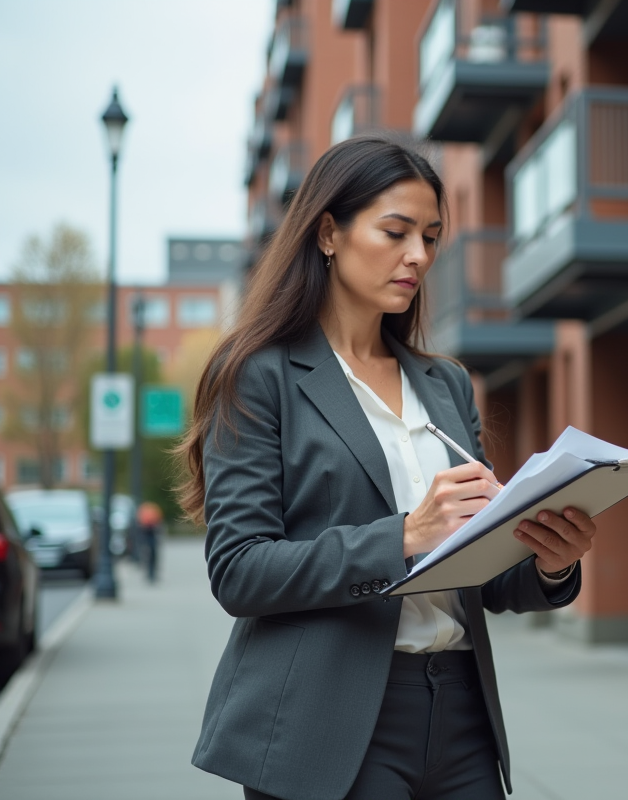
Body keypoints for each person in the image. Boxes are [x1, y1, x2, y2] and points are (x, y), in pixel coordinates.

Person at [177, 136, 596, 800]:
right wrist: (403, 535)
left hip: (460, 715)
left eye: (430, 237)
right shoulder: (258, 376)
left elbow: (481, 574)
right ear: (328, 233)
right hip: (327, 722)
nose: (419, 255)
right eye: (396, 232)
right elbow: (240, 570)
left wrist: (549, 561)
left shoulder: (444, 384)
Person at [136, 501, 162, 583]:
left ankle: (151, 573)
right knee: (150, 554)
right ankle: (151, 573)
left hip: (149, 532)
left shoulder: (145, 510)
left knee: (150, 553)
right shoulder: (152, 509)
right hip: (148, 532)